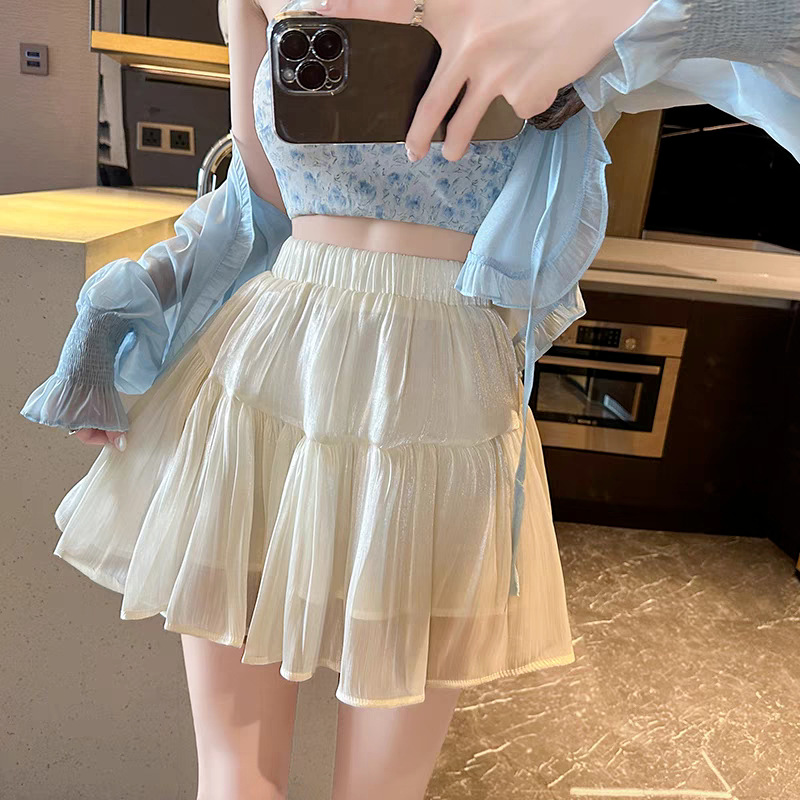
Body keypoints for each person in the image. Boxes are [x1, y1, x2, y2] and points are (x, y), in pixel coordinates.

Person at [18, 0, 800, 798]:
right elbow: (253, 212)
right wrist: (124, 305)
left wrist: (610, 13)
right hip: (268, 378)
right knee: (233, 779)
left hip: (441, 402)